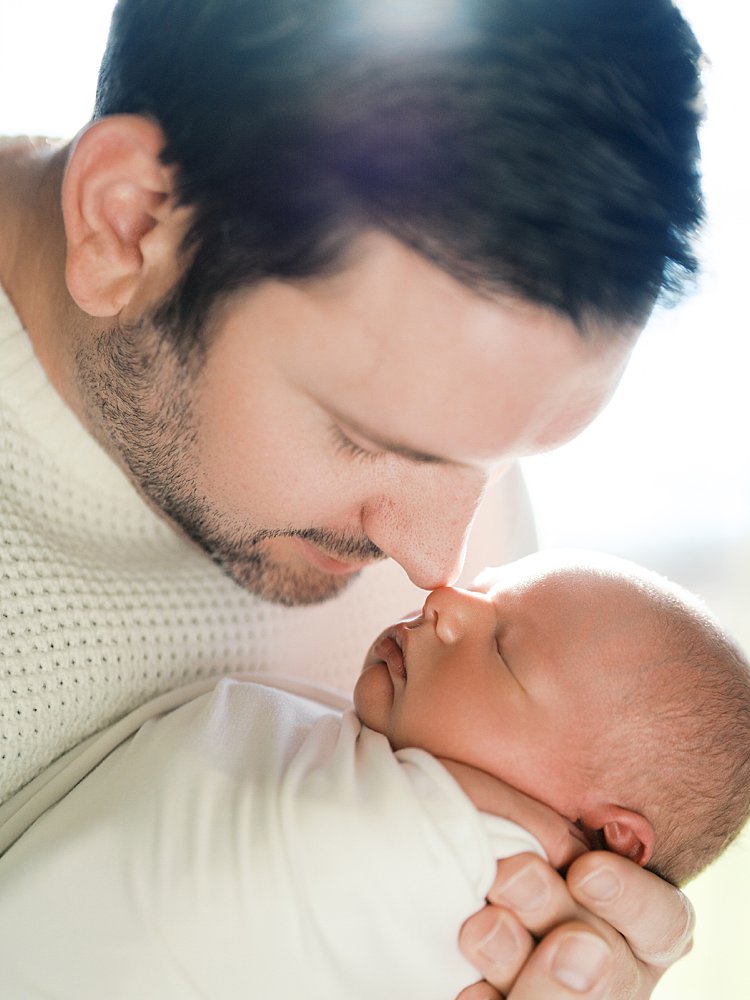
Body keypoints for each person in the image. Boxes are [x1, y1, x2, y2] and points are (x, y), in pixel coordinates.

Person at [0, 0, 706, 996]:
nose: (439, 560)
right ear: (129, 224)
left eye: (503, 454)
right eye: (373, 441)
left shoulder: (422, 390)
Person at [0, 550, 747, 1000]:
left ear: (609, 839)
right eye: (482, 587)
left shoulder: (479, 878)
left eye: (506, 652)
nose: (444, 598)